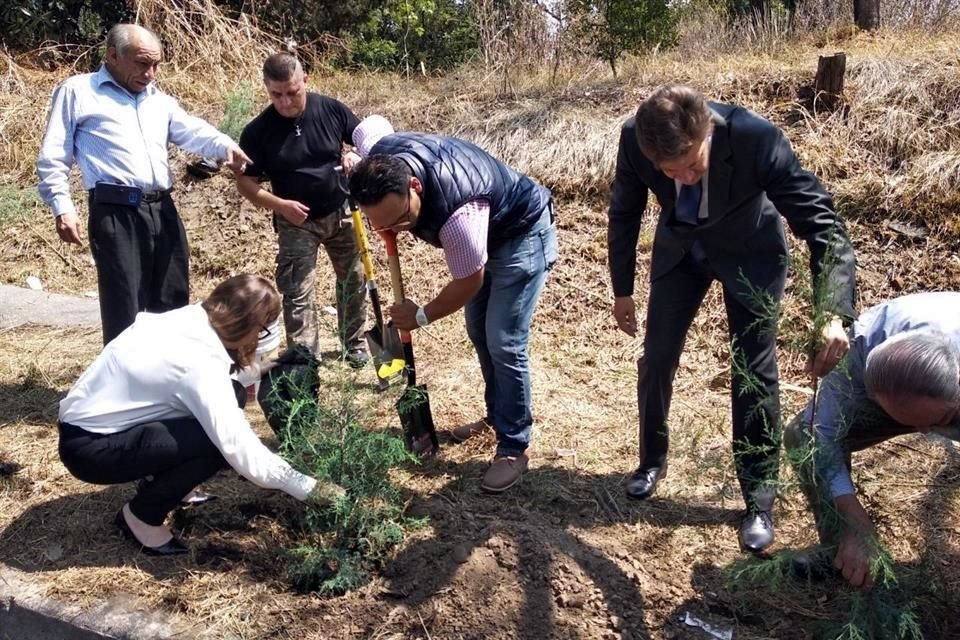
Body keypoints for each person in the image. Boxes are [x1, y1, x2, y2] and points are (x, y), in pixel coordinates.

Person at [607, 84, 857, 552]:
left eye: (693, 167)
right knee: (656, 358)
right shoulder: (633, 138)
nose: (682, 179)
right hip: (682, 251)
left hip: (750, 253)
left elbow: (825, 228)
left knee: (753, 375)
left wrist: (832, 312)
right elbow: (625, 211)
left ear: (708, 133)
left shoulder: (755, 139)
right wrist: (622, 289)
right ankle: (651, 462)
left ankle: (758, 500)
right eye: (670, 172)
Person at [57, 274, 345, 556]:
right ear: (246, 324)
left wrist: (272, 363)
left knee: (232, 393)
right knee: (215, 445)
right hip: (92, 450)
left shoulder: (189, 320)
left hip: (95, 427)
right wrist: (311, 488)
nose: (260, 339)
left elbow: (213, 380)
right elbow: (240, 449)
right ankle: (143, 515)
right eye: (262, 331)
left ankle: (165, 483)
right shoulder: (198, 364)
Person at [348, 116, 558, 493]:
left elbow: (469, 280)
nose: (396, 229)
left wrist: (421, 315)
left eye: (401, 219)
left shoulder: (458, 213)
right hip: (487, 234)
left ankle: (513, 447)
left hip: (521, 232)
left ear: (414, 185)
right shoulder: (381, 159)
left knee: (503, 340)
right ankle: (498, 416)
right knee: (478, 330)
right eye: (384, 224)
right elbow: (369, 127)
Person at [37, 23, 250, 345]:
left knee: (172, 301)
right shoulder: (79, 91)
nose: (150, 73)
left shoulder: (158, 100)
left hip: (162, 208)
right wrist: (62, 207)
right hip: (115, 212)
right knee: (126, 307)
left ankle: (167, 384)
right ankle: (125, 390)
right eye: (142, 63)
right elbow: (54, 154)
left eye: (156, 65)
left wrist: (225, 146)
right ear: (113, 56)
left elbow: (192, 130)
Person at [785, 292, 960, 590]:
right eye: (913, 422)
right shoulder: (857, 349)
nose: (923, 432)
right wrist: (855, 521)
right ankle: (842, 549)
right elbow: (822, 434)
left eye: (936, 422)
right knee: (801, 437)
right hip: (893, 389)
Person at [236, 52, 368, 368]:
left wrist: (355, 157)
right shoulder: (258, 131)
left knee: (354, 280)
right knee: (296, 291)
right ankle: (306, 357)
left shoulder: (332, 110)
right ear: (267, 89)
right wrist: (281, 206)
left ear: (305, 80)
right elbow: (246, 184)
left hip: (341, 212)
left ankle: (355, 345)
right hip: (295, 222)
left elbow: (367, 140)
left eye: (292, 93)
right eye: (276, 94)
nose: (285, 102)